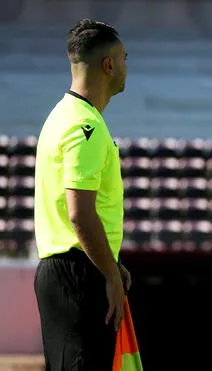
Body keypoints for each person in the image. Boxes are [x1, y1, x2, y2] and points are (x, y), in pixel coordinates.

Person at [33, 19, 130, 371]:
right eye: (124, 59)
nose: (125, 67)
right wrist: (110, 275)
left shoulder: (63, 116)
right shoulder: (84, 126)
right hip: (79, 273)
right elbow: (80, 213)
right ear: (108, 65)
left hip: (68, 269)